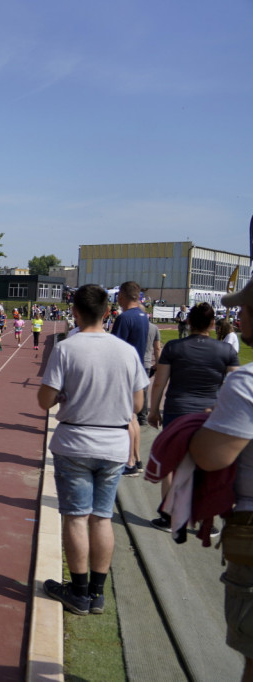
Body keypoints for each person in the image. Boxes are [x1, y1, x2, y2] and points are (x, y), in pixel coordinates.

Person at [38, 284, 148, 616]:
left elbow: (44, 400)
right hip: (114, 444)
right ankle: (97, 593)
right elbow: (138, 403)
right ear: (107, 311)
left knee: (75, 518)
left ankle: (79, 590)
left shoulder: (67, 348)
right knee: (101, 519)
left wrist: (62, 397)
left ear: (74, 311)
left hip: (75, 442)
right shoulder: (126, 351)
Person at [188, 279, 253, 677]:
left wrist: (204, 428)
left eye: (245, 309)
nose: (239, 316)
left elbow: (211, 457)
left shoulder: (246, 382)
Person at [146, 302, 238, 532]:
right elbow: (237, 386)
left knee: (172, 462)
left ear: (188, 321)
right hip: (210, 415)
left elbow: (159, 382)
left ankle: (169, 516)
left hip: (177, 411)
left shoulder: (174, 348)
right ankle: (208, 519)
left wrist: (154, 409)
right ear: (212, 324)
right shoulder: (226, 351)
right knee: (207, 465)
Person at [112, 281, 150, 477]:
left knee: (126, 418)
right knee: (133, 418)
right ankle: (136, 458)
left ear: (122, 296)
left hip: (125, 373)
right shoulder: (144, 316)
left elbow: (115, 347)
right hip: (138, 370)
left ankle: (129, 462)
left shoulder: (124, 318)